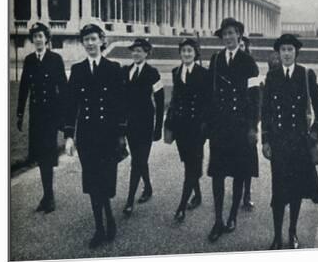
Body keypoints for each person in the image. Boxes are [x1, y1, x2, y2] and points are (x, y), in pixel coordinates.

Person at [63, 24, 127, 249]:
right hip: (88, 137)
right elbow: (70, 104)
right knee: (92, 182)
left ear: (101, 40)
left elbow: (121, 105)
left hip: (108, 136)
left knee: (105, 182)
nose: (90, 44)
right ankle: (100, 227)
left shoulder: (114, 68)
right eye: (85, 40)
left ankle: (108, 214)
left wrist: (121, 134)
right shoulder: (78, 70)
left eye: (93, 39)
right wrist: (69, 136)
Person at [261, 34, 318, 249]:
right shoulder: (272, 77)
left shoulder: (306, 75)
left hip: (299, 144)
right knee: (278, 191)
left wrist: (315, 133)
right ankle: (277, 236)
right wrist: (265, 140)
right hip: (279, 144)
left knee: (296, 191)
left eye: (290, 49)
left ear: (295, 52)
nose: (286, 53)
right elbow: (266, 111)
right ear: (278, 54)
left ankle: (292, 232)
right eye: (283, 50)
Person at [206, 18, 260, 242]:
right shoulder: (216, 60)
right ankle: (218, 219)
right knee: (217, 173)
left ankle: (232, 216)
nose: (227, 38)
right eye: (224, 34)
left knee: (239, 172)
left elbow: (256, 99)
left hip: (240, 126)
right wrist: (208, 122)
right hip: (219, 126)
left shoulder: (249, 62)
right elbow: (210, 94)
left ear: (239, 35)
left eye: (231, 33)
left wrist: (252, 127)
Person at [16, 22, 67, 213]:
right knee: (39, 155)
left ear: (47, 38)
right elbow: (24, 88)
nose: (38, 39)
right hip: (36, 114)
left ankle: (49, 196)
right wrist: (20, 113)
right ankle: (47, 195)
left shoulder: (55, 59)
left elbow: (63, 88)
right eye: (35, 36)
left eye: (40, 36)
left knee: (47, 155)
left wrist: (63, 116)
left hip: (51, 115)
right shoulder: (29, 60)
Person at [164, 38, 210, 222]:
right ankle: (197, 195)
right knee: (189, 163)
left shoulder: (203, 73)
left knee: (192, 166)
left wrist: (205, 126)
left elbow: (208, 102)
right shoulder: (176, 72)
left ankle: (182, 206)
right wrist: (169, 122)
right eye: (184, 51)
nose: (186, 54)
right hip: (180, 127)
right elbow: (175, 99)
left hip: (196, 128)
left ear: (196, 53)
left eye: (190, 51)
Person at [122, 38, 165, 216]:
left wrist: (158, 127)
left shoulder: (153, 73)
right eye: (133, 50)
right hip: (130, 125)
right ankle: (147, 187)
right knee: (140, 160)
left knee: (137, 162)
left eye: (139, 51)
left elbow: (161, 102)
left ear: (146, 53)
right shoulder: (126, 71)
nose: (136, 53)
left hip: (146, 124)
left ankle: (130, 200)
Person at [238, 36, 259, 211]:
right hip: (232, 120)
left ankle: (247, 193)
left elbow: (256, 98)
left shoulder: (251, 66)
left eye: (242, 45)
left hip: (247, 120)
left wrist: (254, 125)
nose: (240, 47)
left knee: (248, 158)